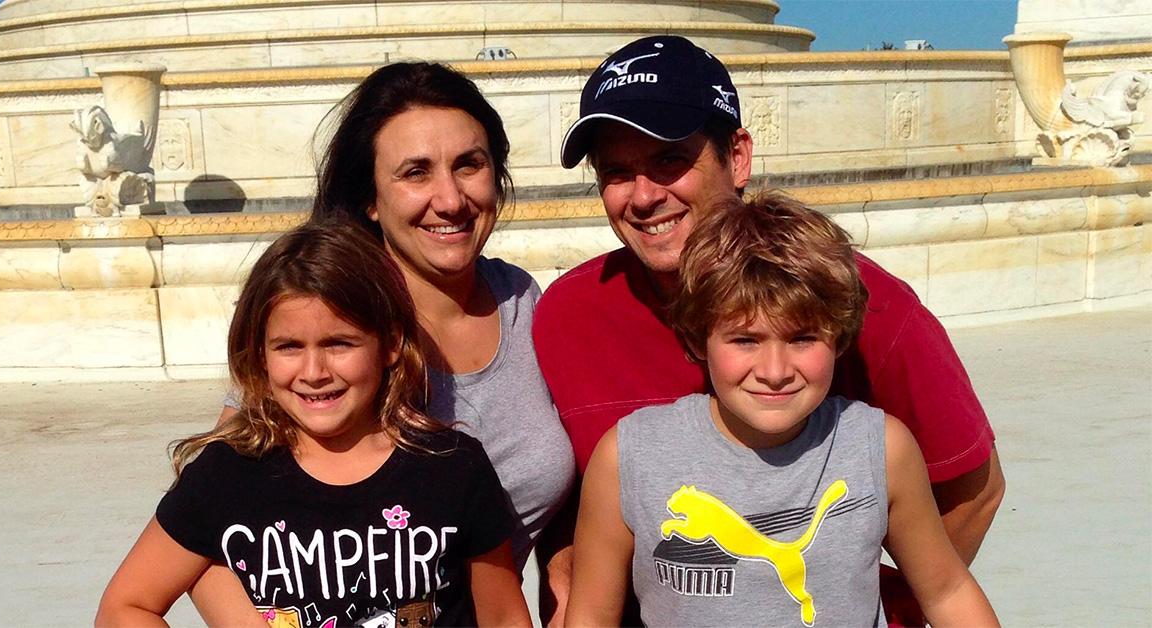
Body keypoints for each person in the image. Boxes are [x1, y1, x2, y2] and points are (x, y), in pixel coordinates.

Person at [534, 35, 1005, 625]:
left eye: (669, 160)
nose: (645, 196)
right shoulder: (566, 314)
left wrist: (862, 601)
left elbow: (974, 491)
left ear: (737, 158)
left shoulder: (858, 302)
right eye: (617, 172)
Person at [564, 191, 999, 626]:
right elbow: (591, 616)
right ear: (698, 339)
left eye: (802, 339)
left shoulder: (880, 448)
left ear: (840, 339)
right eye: (746, 340)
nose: (775, 371)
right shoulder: (629, 457)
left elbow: (947, 591)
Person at [216, 62, 575, 576]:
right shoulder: (327, 319)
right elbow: (211, 524)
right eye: (415, 172)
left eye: (469, 164)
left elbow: (569, 499)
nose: (450, 200)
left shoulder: (522, 300)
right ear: (370, 199)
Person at [96, 223, 532, 627]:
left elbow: (504, 617)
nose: (314, 371)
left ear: (392, 344)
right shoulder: (227, 475)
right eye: (288, 346)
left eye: (339, 343)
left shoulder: (453, 467)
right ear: (259, 354)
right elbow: (126, 605)